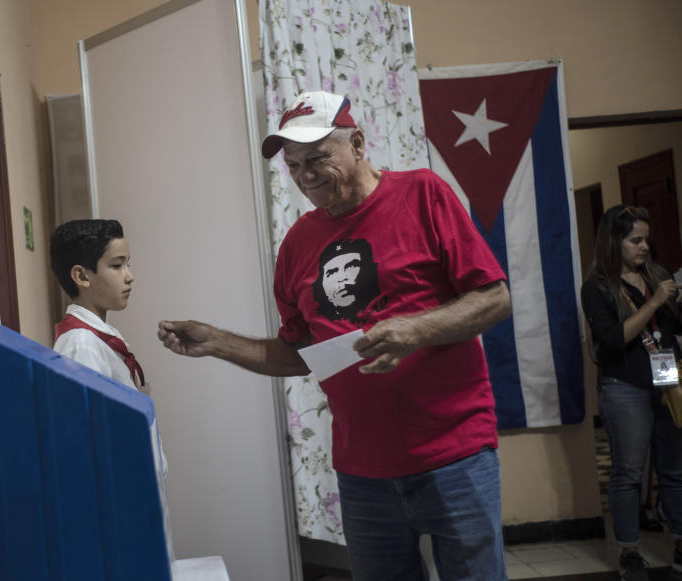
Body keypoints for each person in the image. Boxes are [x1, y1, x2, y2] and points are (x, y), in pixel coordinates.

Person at [157, 90, 511, 580]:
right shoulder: (298, 244)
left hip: (454, 454)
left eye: (318, 158)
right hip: (363, 470)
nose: (305, 176)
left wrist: (415, 330)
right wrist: (215, 341)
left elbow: (494, 297)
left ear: (359, 145)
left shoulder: (424, 194)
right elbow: (299, 354)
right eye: (295, 164)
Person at [581, 205, 682, 581]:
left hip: (668, 380)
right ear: (614, 242)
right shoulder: (597, 288)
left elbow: (673, 326)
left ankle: (680, 541)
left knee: (674, 470)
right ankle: (629, 551)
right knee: (629, 472)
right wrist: (655, 302)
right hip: (624, 386)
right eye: (635, 240)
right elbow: (613, 339)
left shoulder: (657, 274)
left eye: (646, 239)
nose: (644, 247)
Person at [48, 219, 147, 394]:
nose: (130, 276)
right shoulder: (82, 345)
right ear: (82, 277)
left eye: (128, 265)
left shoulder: (96, 336)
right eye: (117, 265)